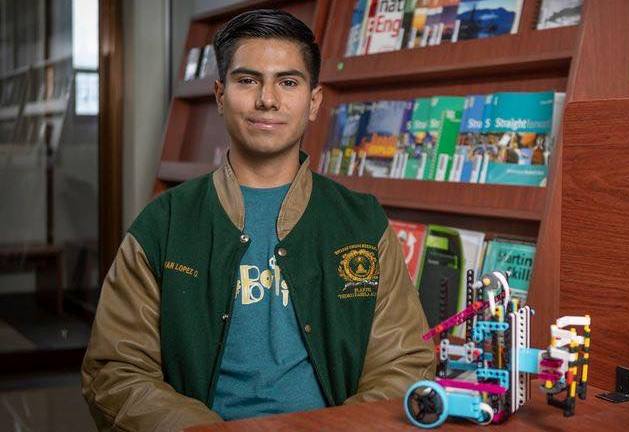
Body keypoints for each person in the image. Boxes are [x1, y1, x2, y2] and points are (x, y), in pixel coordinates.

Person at [81, 9, 434, 431]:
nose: (267, 99)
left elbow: (403, 363)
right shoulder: (164, 223)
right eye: (248, 80)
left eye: (288, 82)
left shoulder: (361, 222)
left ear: (314, 102)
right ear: (219, 95)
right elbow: (116, 372)